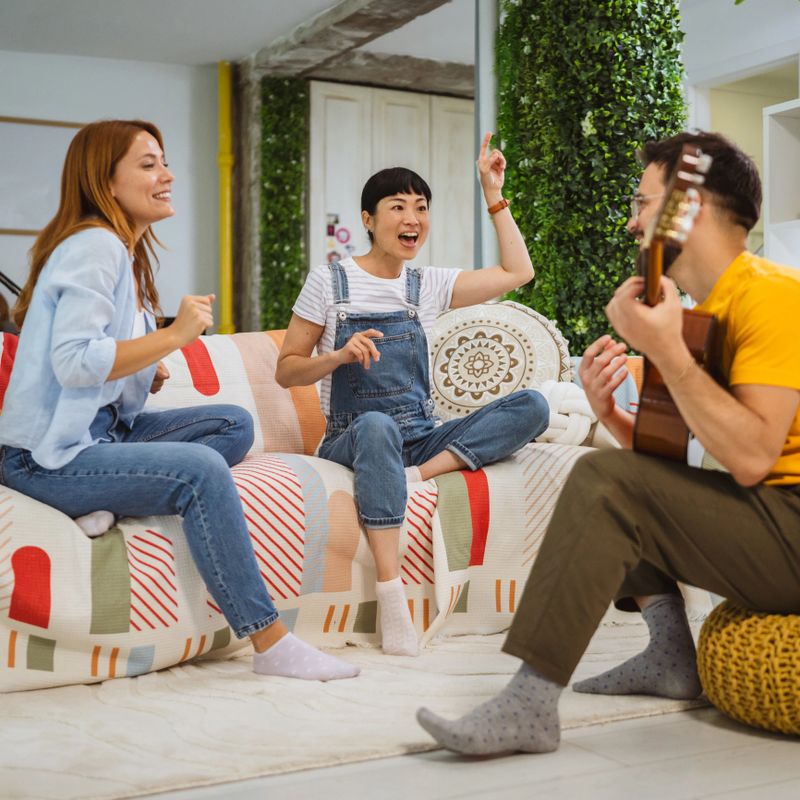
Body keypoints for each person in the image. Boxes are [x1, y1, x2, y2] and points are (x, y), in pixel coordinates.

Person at [416, 130, 800, 753]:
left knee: (605, 482)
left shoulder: (773, 297)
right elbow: (673, 464)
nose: (631, 224)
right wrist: (611, 416)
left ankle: (529, 704)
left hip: (791, 521)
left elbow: (752, 457)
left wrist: (666, 352)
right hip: (772, 519)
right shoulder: (701, 313)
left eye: (642, 203)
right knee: (606, 476)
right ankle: (673, 657)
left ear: (688, 208)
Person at [0, 119, 359, 682]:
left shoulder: (124, 252)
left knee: (232, 423)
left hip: (100, 433)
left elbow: (95, 361)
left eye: (164, 162)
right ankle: (269, 641)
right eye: (148, 165)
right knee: (200, 471)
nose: (167, 175)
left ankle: (110, 497)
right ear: (105, 181)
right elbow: (73, 361)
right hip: (44, 457)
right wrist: (173, 336)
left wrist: (145, 365)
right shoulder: (94, 245)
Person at [276, 133, 550, 656]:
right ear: (368, 219)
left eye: (421, 207)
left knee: (534, 406)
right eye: (398, 206)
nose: (412, 218)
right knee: (377, 424)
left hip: (421, 438)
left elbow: (519, 272)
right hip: (353, 438)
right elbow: (287, 371)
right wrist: (337, 356)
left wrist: (493, 193)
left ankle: (417, 475)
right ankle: (391, 593)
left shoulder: (426, 284)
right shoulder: (329, 282)